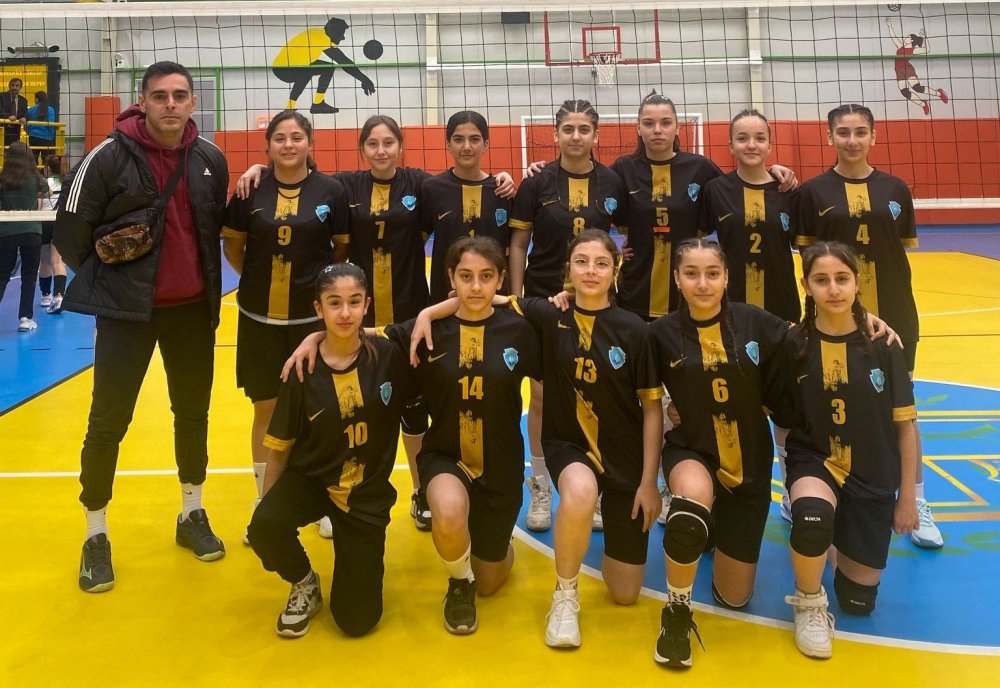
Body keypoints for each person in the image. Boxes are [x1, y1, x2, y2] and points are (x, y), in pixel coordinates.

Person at [239, 114, 515, 533]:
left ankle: (422, 494)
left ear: (401, 147)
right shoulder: (345, 187)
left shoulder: (420, 185)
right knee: (351, 410)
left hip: (411, 317)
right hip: (358, 321)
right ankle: (337, 492)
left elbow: (459, 187)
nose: (381, 151)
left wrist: (505, 178)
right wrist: (260, 168)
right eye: (373, 144)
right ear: (362, 149)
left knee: (415, 412)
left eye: (389, 143)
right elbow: (300, 176)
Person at [285, 236, 541, 634]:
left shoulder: (520, 329)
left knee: (490, 582)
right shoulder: (427, 330)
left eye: (486, 276)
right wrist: (314, 337)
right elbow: (358, 333)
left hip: (502, 464)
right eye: (466, 276)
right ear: (450, 278)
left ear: (500, 280)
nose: (476, 286)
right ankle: (459, 582)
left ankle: (490, 548)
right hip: (446, 457)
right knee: (449, 512)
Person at [54, 61, 230, 592]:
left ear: (193, 102)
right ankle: (95, 532)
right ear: (143, 101)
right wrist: (117, 284)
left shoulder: (210, 158)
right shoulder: (107, 156)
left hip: (192, 312)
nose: (170, 104)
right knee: (108, 420)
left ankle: (191, 512)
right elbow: (70, 234)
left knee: (192, 413)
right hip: (127, 314)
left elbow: (214, 226)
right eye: (160, 96)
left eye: (179, 95)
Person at [797, 103, 941, 549]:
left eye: (861, 132)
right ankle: (820, 489)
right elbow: (808, 259)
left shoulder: (895, 188)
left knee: (904, 411)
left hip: (896, 315)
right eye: (843, 132)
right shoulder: (813, 192)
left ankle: (917, 500)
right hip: (833, 320)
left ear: (874, 137)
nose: (852, 140)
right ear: (829, 138)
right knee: (828, 403)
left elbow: (900, 250)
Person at [512, 230, 663, 648]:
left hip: (624, 458)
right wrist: (429, 315)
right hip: (567, 444)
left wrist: (649, 482)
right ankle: (565, 594)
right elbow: (487, 299)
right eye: (581, 262)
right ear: (568, 269)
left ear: (616, 271)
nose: (591, 271)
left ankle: (600, 526)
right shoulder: (550, 315)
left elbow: (652, 410)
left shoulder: (635, 330)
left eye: (601, 263)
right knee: (579, 492)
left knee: (625, 593)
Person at [247, 263, 410, 638]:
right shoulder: (302, 367)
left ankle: (355, 563)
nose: (345, 312)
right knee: (264, 526)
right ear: (318, 308)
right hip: (312, 480)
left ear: (367, 305)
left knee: (357, 622)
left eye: (354, 302)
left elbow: (435, 319)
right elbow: (280, 448)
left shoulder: (388, 355)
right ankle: (304, 583)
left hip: (364, 495)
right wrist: (269, 512)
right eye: (334, 303)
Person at [777, 241, 918, 659]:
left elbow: (906, 427)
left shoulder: (883, 343)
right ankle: (808, 603)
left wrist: (908, 499)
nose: (834, 289)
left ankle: (835, 538)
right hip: (815, 461)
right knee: (812, 518)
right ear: (806, 286)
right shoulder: (793, 344)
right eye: (821, 280)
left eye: (842, 278)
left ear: (857, 282)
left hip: (872, 473)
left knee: (858, 602)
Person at [221, 110, 349, 540]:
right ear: (268, 146)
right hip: (259, 319)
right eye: (280, 138)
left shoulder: (331, 190)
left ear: (310, 143)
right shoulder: (250, 189)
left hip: (312, 323)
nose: (289, 144)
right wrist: (257, 279)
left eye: (297, 137)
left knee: (320, 413)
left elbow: (340, 250)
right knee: (266, 410)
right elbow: (233, 246)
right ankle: (266, 502)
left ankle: (323, 500)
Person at [509, 99, 628, 533]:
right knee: (541, 395)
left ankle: (594, 485)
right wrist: (517, 299)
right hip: (544, 300)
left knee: (596, 391)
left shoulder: (612, 181)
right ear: (555, 134)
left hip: (597, 302)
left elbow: (626, 237)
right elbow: (518, 244)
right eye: (568, 129)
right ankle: (541, 485)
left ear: (596, 135)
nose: (576, 136)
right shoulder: (537, 182)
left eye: (584, 129)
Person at [702, 109, 800, 519]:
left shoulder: (789, 191)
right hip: (730, 315)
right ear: (730, 145)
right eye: (742, 138)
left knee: (785, 407)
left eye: (759, 137)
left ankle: (792, 491)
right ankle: (727, 489)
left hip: (782, 314)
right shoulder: (716, 190)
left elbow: (811, 251)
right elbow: (692, 242)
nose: (751, 145)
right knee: (732, 404)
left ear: (770, 144)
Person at [420, 110, 512, 304]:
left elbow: (514, 249)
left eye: (475, 139)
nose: (467, 147)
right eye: (458, 139)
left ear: (486, 144)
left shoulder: (503, 191)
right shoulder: (432, 189)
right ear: (448, 145)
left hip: (494, 299)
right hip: (445, 298)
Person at [272, 17, 376, 113]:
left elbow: (344, 62)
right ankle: (306, 106)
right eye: (341, 34)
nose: (342, 38)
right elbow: (344, 61)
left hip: (286, 66)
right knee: (309, 71)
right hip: (284, 70)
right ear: (333, 33)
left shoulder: (319, 33)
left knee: (322, 69)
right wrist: (364, 79)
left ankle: (307, 105)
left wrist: (363, 79)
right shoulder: (322, 39)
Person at [0, 141, 43, 331]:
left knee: (2, 275)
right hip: (31, 230)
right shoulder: (36, 179)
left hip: (6, 231)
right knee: (29, 275)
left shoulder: (2, 180)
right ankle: (25, 318)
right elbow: (47, 193)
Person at [886, 20, 948, 116]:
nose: (905, 38)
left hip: (907, 69)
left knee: (917, 88)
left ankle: (939, 93)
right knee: (904, 92)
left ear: (911, 40)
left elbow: (927, 50)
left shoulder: (913, 50)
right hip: (898, 71)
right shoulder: (900, 46)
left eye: (907, 37)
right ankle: (923, 104)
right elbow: (893, 36)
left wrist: (925, 37)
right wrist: (889, 25)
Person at [38, 155, 67, 314]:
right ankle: (59, 296)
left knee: (44, 261)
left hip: (44, 222)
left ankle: (45, 295)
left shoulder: (44, 183)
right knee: (58, 260)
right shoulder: (67, 183)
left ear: (48, 168)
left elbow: (38, 206)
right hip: (60, 223)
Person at [26, 91, 57, 163]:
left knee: (33, 159)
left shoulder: (30, 110)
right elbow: (51, 124)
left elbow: (26, 124)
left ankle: (34, 170)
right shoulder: (51, 110)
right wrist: (51, 135)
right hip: (46, 137)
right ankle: (45, 170)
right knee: (46, 160)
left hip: (33, 137)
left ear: (36, 99)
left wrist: (30, 132)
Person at [0, 77, 28, 148]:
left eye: (17, 86)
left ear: (20, 87)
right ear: (9, 86)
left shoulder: (23, 100)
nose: (14, 88)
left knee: (12, 151)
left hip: (15, 131)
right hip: (2, 129)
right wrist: (8, 116)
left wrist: (25, 118)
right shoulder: (1, 96)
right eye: (12, 85)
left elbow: (26, 113)